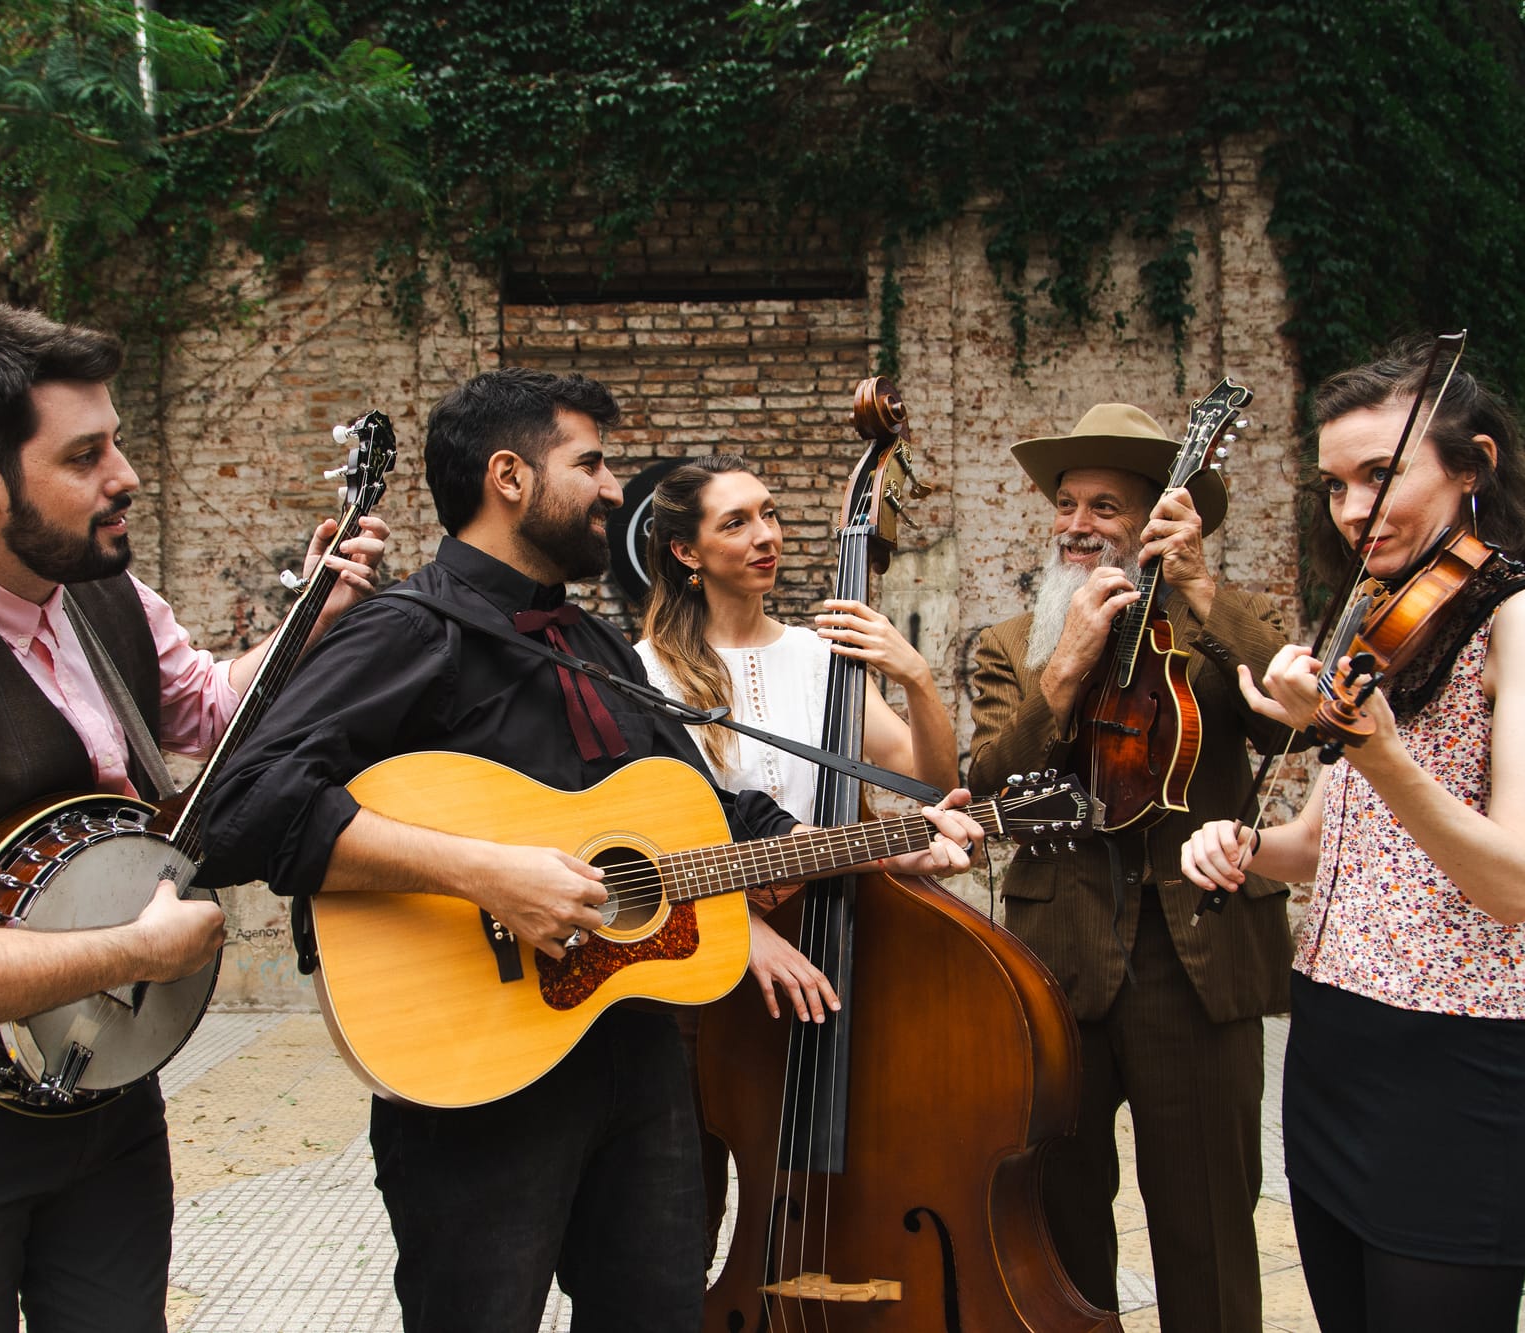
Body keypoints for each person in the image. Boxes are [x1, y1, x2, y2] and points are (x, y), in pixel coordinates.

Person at [195, 367, 984, 1332]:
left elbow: (707, 813)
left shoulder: (596, 648)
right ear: (509, 478)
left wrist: (874, 845)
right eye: (593, 463)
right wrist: (486, 873)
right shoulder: (409, 632)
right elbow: (236, 805)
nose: (617, 489)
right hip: (475, 1072)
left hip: (634, 1056)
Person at [0, 304, 387, 1330]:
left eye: (119, 442)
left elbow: (201, 705)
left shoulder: (109, 599)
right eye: (86, 454)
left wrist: (308, 620)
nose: (127, 474)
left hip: (100, 1084)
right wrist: (125, 949)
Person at [1182, 343, 1525, 1333]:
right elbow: (1324, 848)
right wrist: (1242, 853)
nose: (1349, 506)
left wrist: (1373, 750)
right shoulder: (1377, 626)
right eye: (1333, 484)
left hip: (1449, 1067)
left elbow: (1515, 881)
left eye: (1379, 474)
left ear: (1472, 466)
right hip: (1331, 1044)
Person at [965, 403, 1294, 1332]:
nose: (1077, 522)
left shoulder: (1223, 627)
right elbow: (991, 791)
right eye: (1066, 502)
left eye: (1105, 505)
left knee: (1209, 1231)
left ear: (1157, 518)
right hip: (1055, 960)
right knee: (1058, 1231)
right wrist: (1063, 668)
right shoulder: (1012, 644)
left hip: (1198, 955)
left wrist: (1201, 591)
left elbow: (1299, 714)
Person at [635, 452, 958, 1020]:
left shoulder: (819, 658)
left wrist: (917, 677)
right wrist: (744, 928)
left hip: (840, 915)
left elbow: (933, 783)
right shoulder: (648, 674)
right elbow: (651, 843)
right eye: (736, 523)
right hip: (711, 945)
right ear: (687, 552)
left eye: (770, 514)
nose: (766, 537)